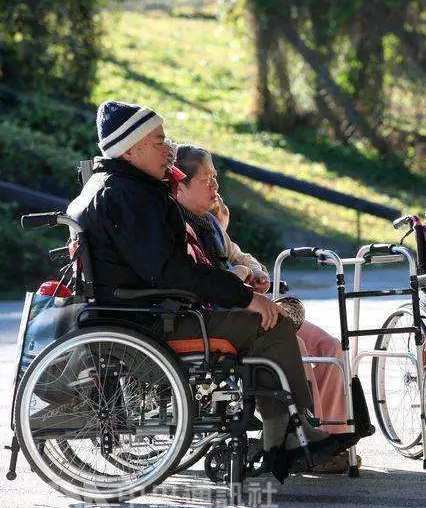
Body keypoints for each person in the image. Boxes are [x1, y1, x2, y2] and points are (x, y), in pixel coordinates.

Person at [66, 100, 354, 481]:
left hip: (143, 313)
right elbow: (173, 271)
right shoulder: (128, 195)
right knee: (273, 324)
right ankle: (285, 436)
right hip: (153, 321)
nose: (167, 148)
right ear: (131, 148)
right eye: (157, 140)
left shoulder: (112, 188)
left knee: (264, 319)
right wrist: (248, 298)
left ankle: (283, 431)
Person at [173, 145, 355, 473]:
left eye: (215, 177)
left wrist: (253, 271)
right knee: (293, 344)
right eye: (206, 179)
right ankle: (301, 435)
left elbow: (240, 257)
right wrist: (240, 275)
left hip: (248, 303)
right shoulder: (176, 225)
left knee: (328, 345)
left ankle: (336, 438)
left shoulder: (210, 224)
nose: (215, 186)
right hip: (223, 314)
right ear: (180, 186)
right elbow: (207, 280)